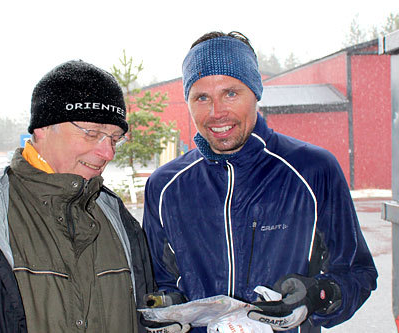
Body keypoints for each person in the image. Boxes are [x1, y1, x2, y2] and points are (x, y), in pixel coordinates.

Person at [142, 31, 378, 332]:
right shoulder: (165, 187)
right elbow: (158, 281)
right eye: (202, 97)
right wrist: (166, 305)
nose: (216, 113)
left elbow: (358, 272)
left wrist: (318, 295)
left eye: (231, 93)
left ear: (255, 92)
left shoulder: (313, 170)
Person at [0, 60, 155, 332]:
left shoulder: (118, 218)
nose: (108, 153)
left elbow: (147, 317)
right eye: (92, 133)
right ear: (43, 128)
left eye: (115, 138)